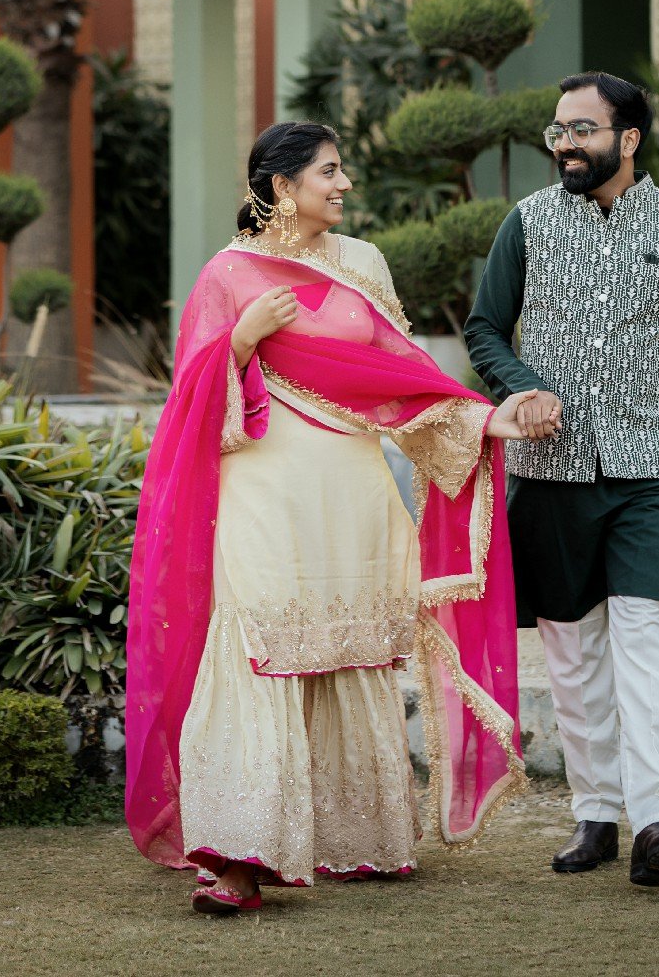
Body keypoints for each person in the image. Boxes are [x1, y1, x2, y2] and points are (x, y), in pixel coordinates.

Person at [125, 120, 561, 914]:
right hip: (263, 483)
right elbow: (189, 409)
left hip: (353, 486)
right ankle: (240, 853)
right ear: (281, 185)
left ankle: (361, 838)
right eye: (329, 172)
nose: (345, 185)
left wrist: (489, 420)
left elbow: (405, 378)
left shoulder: (362, 264)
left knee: (350, 652)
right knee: (258, 639)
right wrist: (239, 343)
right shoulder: (228, 276)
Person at [464, 71, 659, 891]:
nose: (565, 144)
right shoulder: (528, 223)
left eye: (581, 129)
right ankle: (597, 815)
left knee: (647, 640)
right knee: (574, 655)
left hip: (652, 471)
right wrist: (519, 387)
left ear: (629, 138)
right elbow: (483, 327)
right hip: (551, 473)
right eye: (557, 130)